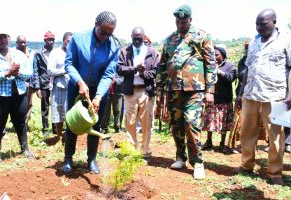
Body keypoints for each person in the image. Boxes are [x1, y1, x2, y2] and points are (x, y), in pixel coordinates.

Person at [156, 5, 217, 179]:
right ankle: (180, 157)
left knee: (191, 123)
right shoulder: (169, 40)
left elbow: (211, 65)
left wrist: (210, 91)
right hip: (173, 89)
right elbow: (162, 65)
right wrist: (160, 90)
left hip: (195, 89)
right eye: (178, 21)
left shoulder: (202, 37)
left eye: (184, 21)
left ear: (190, 20)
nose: (180, 24)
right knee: (176, 124)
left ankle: (197, 162)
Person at [236, 9, 291, 186]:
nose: (259, 27)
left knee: (275, 136)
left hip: (274, 95)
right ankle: (246, 165)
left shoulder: (286, 40)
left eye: (263, 24)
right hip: (251, 94)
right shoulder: (254, 42)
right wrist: (240, 93)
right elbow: (247, 69)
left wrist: (290, 94)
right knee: (247, 132)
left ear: (274, 21)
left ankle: (274, 173)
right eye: (257, 24)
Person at [62, 11, 120, 174]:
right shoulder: (78, 38)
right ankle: (68, 158)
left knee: (96, 123)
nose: (105, 36)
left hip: (98, 88)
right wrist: (79, 82)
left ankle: (91, 160)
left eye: (110, 33)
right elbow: (69, 63)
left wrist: (99, 96)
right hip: (76, 85)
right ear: (96, 24)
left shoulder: (114, 45)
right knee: (72, 122)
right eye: (103, 32)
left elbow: (109, 73)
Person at [0, 28, 34, 163]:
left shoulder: (19, 54)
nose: (3, 40)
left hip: (19, 95)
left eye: (5, 37)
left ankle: (25, 148)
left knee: (20, 122)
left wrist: (18, 74)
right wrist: (6, 74)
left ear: (9, 38)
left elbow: (29, 73)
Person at [117, 26, 159, 160]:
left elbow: (155, 72)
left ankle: (145, 150)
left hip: (146, 91)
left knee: (146, 122)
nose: (137, 41)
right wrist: (134, 69)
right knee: (130, 121)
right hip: (130, 91)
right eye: (135, 38)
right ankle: (131, 150)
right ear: (131, 37)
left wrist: (143, 73)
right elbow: (119, 68)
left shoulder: (152, 52)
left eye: (139, 39)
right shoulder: (124, 51)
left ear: (144, 37)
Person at [202, 46, 237, 152]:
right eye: (213, 54)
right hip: (212, 99)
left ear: (223, 55)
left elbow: (231, 78)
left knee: (224, 123)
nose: (214, 57)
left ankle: (222, 144)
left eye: (217, 55)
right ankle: (208, 141)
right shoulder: (210, 65)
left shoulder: (230, 65)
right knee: (209, 122)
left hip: (224, 99)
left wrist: (219, 71)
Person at [47, 32, 73, 144]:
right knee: (58, 111)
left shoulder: (74, 53)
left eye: (72, 41)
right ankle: (59, 135)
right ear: (63, 40)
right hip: (59, 86)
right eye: (68, 41)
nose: (70, 43)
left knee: (70, 112)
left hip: (72, 86)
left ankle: (68, 135)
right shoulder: (55, 52)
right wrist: (64, 71)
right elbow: (50, 70)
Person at [32, 31, 57, 136]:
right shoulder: (38, 53)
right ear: (45, 40)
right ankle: (46, 129)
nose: (51, 42)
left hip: (56, 83)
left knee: (56, 106)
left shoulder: (57, 52)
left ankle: (56, 129)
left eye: (52, 40)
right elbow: (36, 70)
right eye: (49, 40)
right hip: (44, 83)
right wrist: (37, 87)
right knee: (45, 107)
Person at [15, 35, 35, 127]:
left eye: (24, 42)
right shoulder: (13, 53)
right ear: (16, 43)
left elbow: (34, 68)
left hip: (29, 82)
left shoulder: (31, 53)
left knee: (29, 104)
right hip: (17, 83)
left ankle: (24, 124)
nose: (23, 44)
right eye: (21, 42)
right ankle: (16, 123)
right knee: (17, 104)